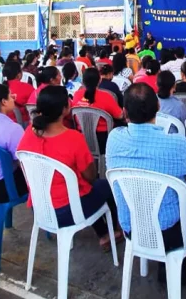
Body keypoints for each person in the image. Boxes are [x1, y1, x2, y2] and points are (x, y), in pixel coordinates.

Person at [106, 83, 186, 285]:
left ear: (124, 112)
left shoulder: (114, 139)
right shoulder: (177, 144)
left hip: (131, 226)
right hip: (169, 230)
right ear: (158, 107)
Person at [20, 86, 122, 249]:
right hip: (67, 211)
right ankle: (110, 233)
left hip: (39, 208)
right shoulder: (73, 138)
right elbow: (90, 176)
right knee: (104, 186)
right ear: (65, 109)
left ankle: (104, 232)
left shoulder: (29, 133)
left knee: (85, 188)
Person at [72, 68, 123, 155]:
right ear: (99, 80)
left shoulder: (77, 94)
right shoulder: (106, 96)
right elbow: (120, 116)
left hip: (81, 136)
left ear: (83, 81)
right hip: (103, 139)